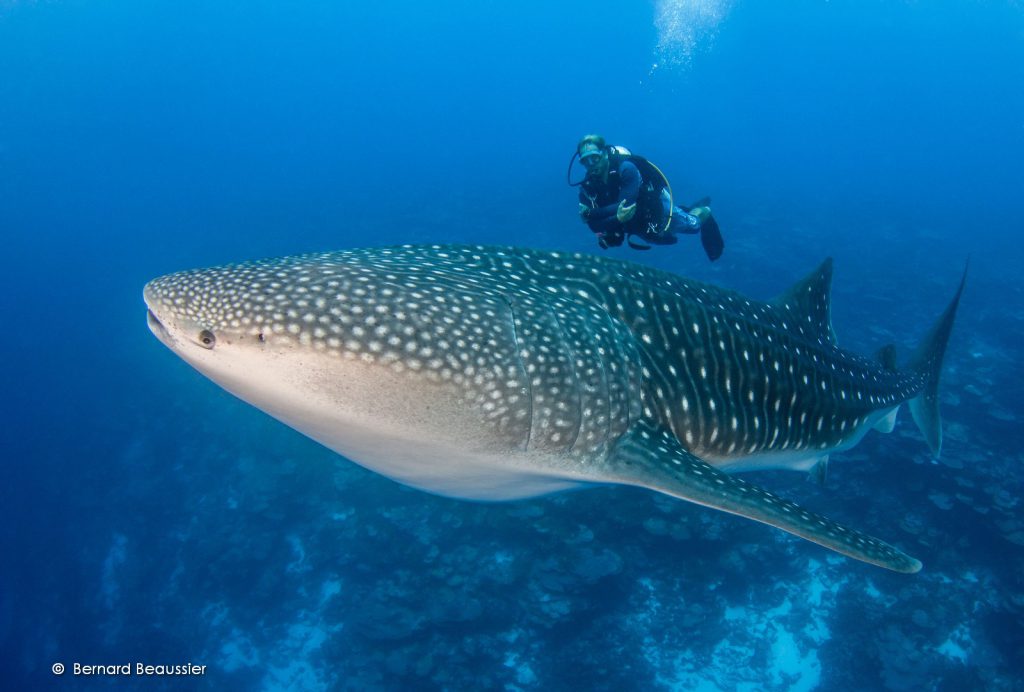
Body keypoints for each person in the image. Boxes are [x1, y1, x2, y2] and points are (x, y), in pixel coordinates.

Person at [571, 134, 724, 261]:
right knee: (653, 238)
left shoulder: (626, 168)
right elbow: (593, 226)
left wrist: (591, 214)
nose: (591, 164)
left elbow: (624, 207)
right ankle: (685, 210)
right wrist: (603, 218)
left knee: (693, 226)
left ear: (604, 153)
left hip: (654, 205)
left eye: (594, 158)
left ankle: (703, 211)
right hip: (632, 219)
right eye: (585, 161)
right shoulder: (588, 185)